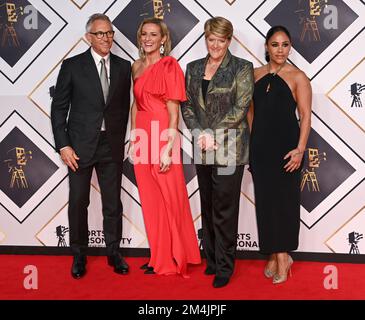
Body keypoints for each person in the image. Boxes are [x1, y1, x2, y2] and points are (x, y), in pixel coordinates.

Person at [51, 14, 131, 279]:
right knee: (78, 202)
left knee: (112, 204)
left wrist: (124, 140)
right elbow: (59, 108)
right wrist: (63, 145)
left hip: (112, 146)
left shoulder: (123, 67)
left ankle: (114, 252)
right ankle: (78, 254)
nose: (106, 38)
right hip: (79, 147)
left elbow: (121, 108)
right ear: (89, 37)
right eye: (100, 34)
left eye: (109, 33)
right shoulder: (72, 66)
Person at [182, 17, 254, 288]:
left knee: (225, 209)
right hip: (203, 147)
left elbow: (240, 107)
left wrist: (211, 134)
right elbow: (187, 105)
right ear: (205, 38)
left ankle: (225, 266)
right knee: (209, 206)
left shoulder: (241, 68)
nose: (215, 45)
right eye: (211, 39)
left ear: (229, 40)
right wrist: (199, 133)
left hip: (229, 149)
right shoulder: (194, 68)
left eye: (220, 40)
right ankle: (211, 261)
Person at [129, 18, 201, 277]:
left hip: (162, 136)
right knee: (151, 202)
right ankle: (157, 255)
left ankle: (175, 256)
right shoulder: (135, 67)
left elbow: (174, 113)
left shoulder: (170, 66)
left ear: (163, 39)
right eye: (144, 34)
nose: (148, 39)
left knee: (171, 198)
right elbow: (134, 106)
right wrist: (133, 139)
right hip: (141, 136)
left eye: (153, 35)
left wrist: (168, 148)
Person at [248, 25, 312, 284]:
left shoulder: (298, 77)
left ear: (290, 47)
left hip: (288, 149)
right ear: (266, 47)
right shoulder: (254, 74)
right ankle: (274, 254)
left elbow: (306, 116)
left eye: (285, 44)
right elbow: (250, 112)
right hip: (261, 150)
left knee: (284, 204)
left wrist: (299, 149)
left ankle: (284, 257)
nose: (280, 50)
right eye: (275, 44)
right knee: (265, 204)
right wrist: (255, 141)